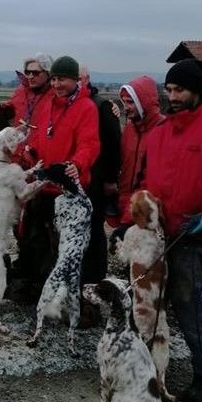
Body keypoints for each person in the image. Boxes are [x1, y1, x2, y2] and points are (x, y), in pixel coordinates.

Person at [116, 58, 202, 402]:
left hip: (193, 233)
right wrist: (133, 221)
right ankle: (149, 365)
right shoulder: (160, 132)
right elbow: (144, 182)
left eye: (180, 90)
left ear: (197, 90)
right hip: (155, 234)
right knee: (147, 301)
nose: (172, 96)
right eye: (169, 89)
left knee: (189, 304)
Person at [13, 56, 100, 296]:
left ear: (75, 80)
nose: (57, 84)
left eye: (62, 79)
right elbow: (40, 135)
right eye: (54, 79)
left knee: (66, 247)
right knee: (37, 240)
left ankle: (67, 296)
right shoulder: (48, 104)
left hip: (68, 190)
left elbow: (90, 144)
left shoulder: (86, 108)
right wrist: (31, 150)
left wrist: (78, 164)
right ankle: (40, 290)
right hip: (44, 185)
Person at [78, 64, 121, 285]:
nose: (76, 83)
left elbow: (114, 144)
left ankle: (96, 280)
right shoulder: (74, 104)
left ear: (87, 79)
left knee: (95, 229)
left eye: (79, 78)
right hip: (82, 179)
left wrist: (111, 178)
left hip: (98, 178)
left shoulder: (102, 106)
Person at [110, 75, 165, 226]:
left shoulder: (163, 131)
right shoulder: (130, 129)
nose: (126, 107)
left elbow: (156, 179)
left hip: (147, 209)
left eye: (131, 102)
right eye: (124, 102)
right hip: (126, 203)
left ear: (144, 103)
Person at [0, 53, 53, 125]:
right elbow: (13, 108)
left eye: (35, 73)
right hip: (19, 134)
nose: (30, 76)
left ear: (48, 73)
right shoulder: (21, 90)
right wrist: (3, 108)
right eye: (27, 72)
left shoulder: (56, 93)